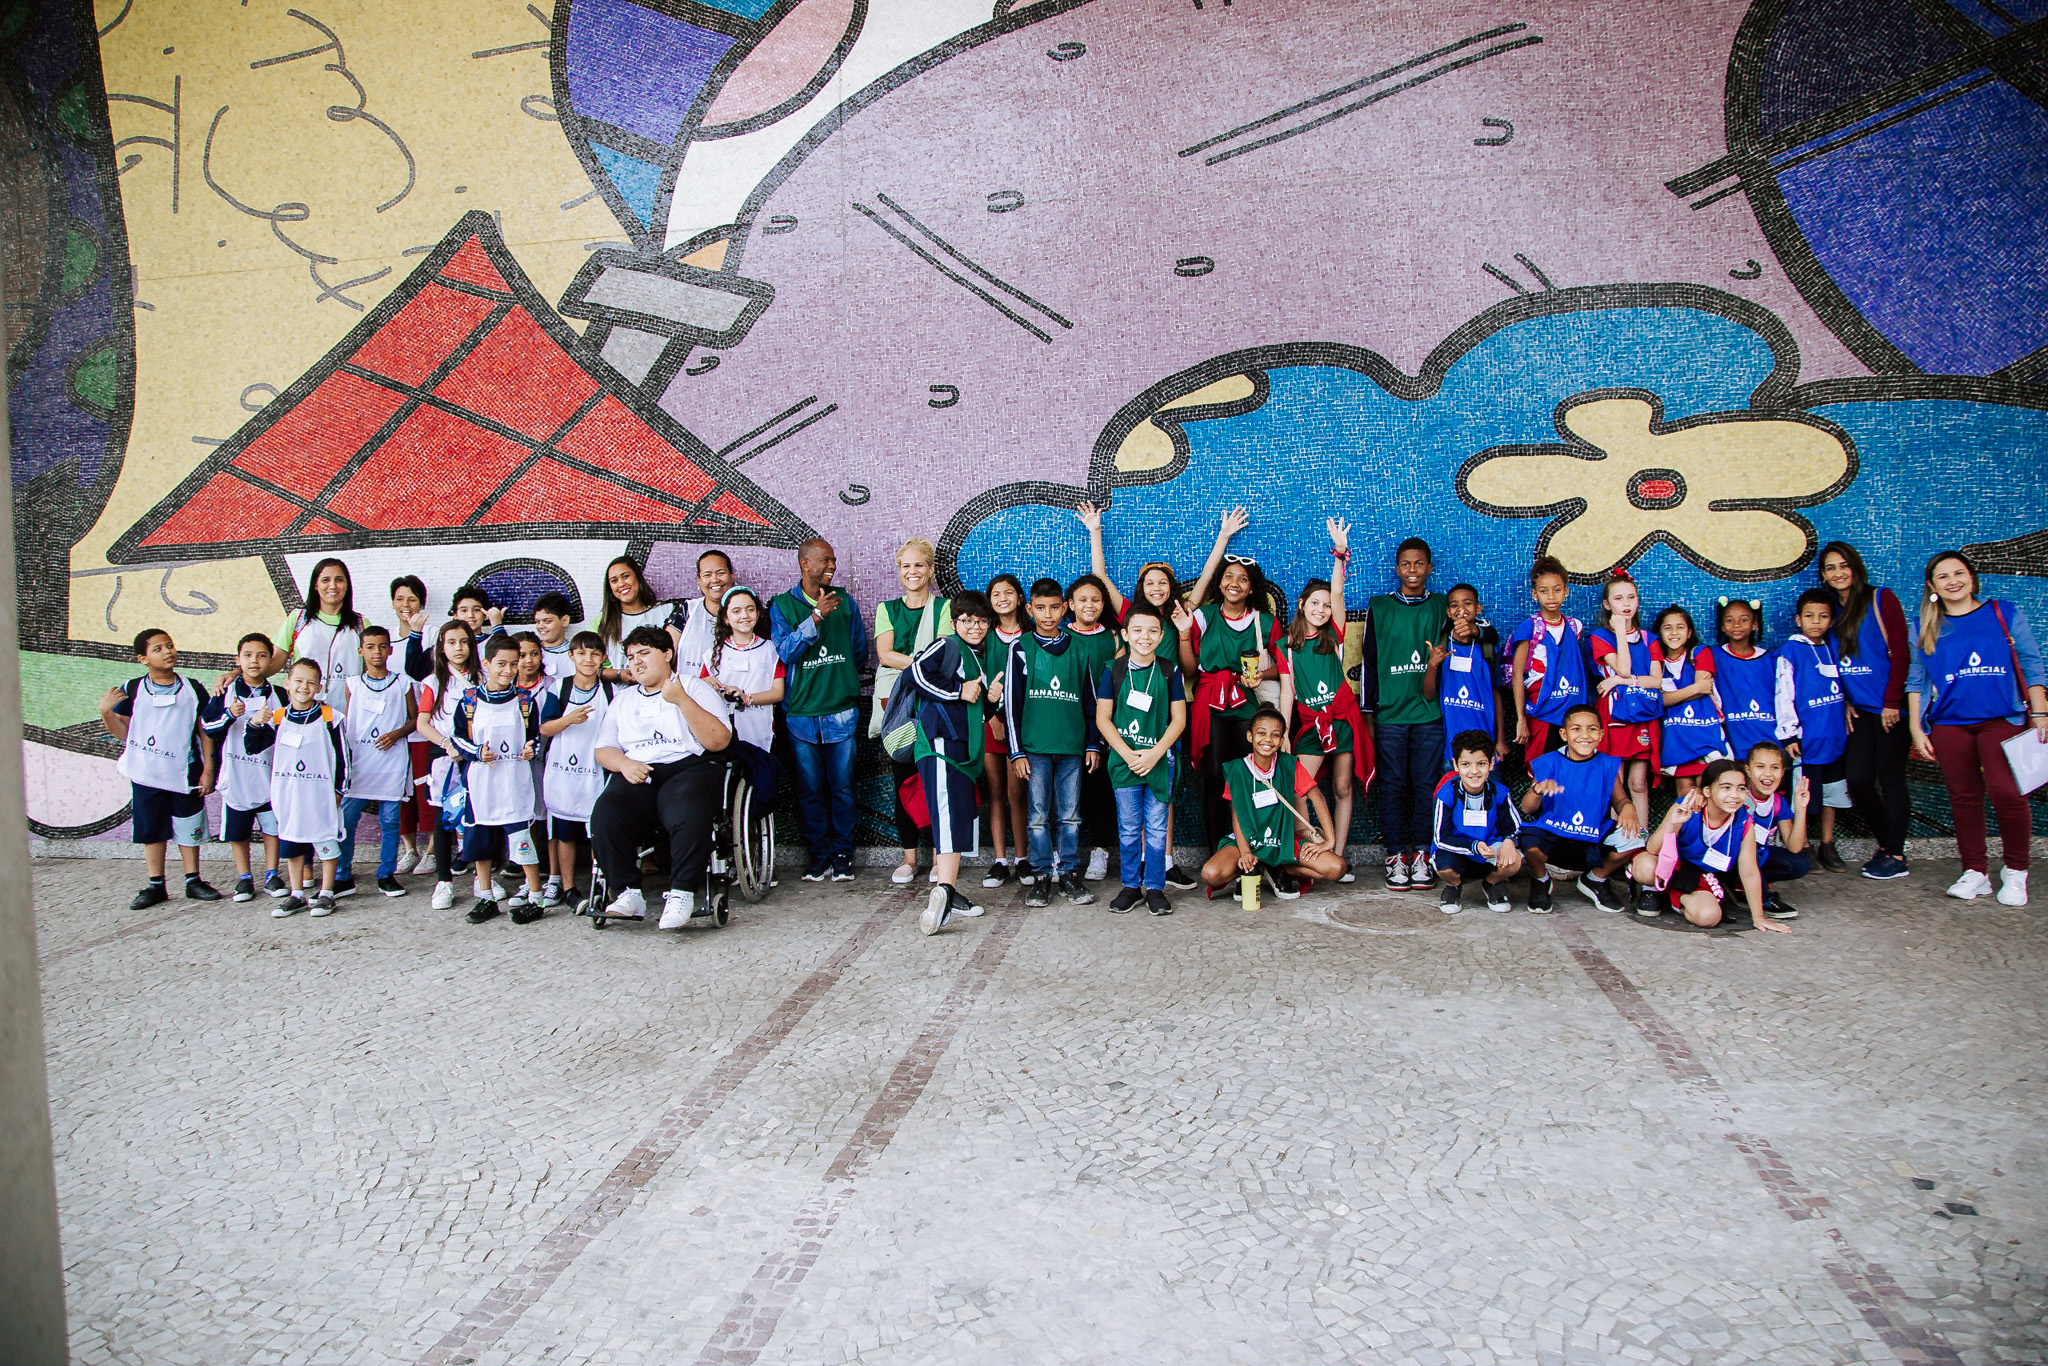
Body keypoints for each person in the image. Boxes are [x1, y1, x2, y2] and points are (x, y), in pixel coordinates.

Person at [1078, 500, 1229, 891]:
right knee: (1135, 792)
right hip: (1130, 716)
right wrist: (1095, 531)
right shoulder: (1133, 615)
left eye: (1162, 582)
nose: (1157, 588)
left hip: (1169, 709)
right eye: (1150, 583)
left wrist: (1223, 537)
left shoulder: (1181, 614)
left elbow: (1207, 579)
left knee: (1165, 788)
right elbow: (1100, 577)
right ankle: (1142, 867)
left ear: (1171, 587)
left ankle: (1164, 861)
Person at [1906, 550, 2048, 906]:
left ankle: (2016, 871)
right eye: (1943, 576)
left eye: (1959, 573)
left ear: (1971, 577)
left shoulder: (2003, 613)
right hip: (1950, 724)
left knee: (2007, 794)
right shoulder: (1923, 626)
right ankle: (1975, 872)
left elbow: (2031, 664)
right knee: (1964, 798)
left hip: (2001, 719)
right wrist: (1916, 728)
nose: (1952, 581)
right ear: (1932, 586)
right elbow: (1916, 680)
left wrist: (2041, 713)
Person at [592, 625, 734, 928]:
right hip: (639, 769)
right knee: (607, 812)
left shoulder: (693, 687)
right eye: (631, 657)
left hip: (687, 766)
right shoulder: (624, 700)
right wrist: (623, 763)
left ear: (667, 654)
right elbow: (603, 749)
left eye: (644, 653)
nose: (637, 662)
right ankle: (627, 892)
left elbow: (719, 741)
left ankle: (682, 892)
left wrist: (682, 700)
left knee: (687, 807)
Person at [100, 628, 221, 908]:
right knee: (152, 829)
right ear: (143, 659)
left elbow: (204, 731)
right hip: (146, 774)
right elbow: (124, 733)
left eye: (170, 645)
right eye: (158, 649)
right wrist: (106, 712)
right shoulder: (132, 689)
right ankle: (156, 885)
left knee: (188, 825)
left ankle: (193, 880)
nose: (168, 651)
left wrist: (208, 769)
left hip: (184, 771)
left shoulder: (192, 689)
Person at [1175, 551, 1279, 867]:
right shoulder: (1203, 617)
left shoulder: (1264, 621)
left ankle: (1256, 852)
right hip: (1211, 705)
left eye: (1242, 579)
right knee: (1215, 778)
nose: (1234, 583)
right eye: (1229, 576)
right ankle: (1217, 854)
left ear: (1252, 588)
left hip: (1249, 705)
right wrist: (1183, 634)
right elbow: (1189, 670)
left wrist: (1262, 675)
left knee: (1253, 777)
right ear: (1219, 583)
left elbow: (1285, 665)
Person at [1279, 520, 1369, 880]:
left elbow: (1338, 591)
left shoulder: (1334, 633)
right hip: (1311, 725)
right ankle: (1311, 845)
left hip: (1342, 719)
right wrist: (1284, 733)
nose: (1321, 608)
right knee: (1299, 786)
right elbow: (1287, 691)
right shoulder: (1285, 645)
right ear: (1301, 605)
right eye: (1315, 603)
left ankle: (1339, 856)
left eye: (1327, 605)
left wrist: (1340, 554)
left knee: (1342, 787)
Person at [771, 538, 865, 882]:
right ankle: (818, 856)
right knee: (810, 790)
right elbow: (785, 652)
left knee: (843, 788)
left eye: (834, 560)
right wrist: (815, 617)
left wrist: (839, 681)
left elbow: (858, 651)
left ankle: (842, 856)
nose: (832, 566)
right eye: (825, 560)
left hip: (841, 711)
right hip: (801, 714)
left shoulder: (845, 602)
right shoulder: (781, 606)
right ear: (805, 564)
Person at [1359, 537, 1449, 890]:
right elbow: (1368, 663)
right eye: (1406, 564)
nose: (1413, 570)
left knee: (1427, 785)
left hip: (1429, 714)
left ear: (1430, 568)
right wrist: (1369, 713)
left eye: (1419, 564)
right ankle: (1396, 854)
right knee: (1393, 786)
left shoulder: (1441, 605)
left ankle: (1423, 853)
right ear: (1397, 569)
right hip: (1390, 716)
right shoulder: (1379, 606)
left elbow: (1475, 629)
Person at [1820, 541, 1914, 880]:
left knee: (1890, 778)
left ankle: (1896, 855)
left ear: (1855, 567)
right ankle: (1888, 845)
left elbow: (1901, 652)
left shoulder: (1880, 598)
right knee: (1858, 780)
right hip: (1859, 711)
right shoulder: (1830, 610)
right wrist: (1846, 699)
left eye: (1844, 565)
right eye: (1831, 568)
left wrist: (1892, 702)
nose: (1838, 573)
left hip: (1890, 710)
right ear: (1823, 575)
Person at [906, 592, 997, 935]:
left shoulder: (975, 658)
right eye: (968, 620)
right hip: (941, 745)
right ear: (955, 621)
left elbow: (975, 709)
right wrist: (959, 691)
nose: (975, 626)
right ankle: (943, 892)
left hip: (960, 751)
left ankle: (948, 890)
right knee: (946, 817)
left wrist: (991, 700)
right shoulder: (947, 645)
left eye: (982, 621)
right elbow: (916, 672)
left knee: (957, 817)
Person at [1006, 577, 1099, 907]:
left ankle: (1069, 873)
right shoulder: (1020, 648)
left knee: (1070, 815)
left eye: (1055, 607)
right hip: (1035, 749)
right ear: (1029, 610)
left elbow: (1091, 701)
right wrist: (1016, 751)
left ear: (1065, 608)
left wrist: (1092, 743)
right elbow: (1012, 704)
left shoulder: (1080, 648)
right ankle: (1042, 875)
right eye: (1041, 608)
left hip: (1072, 748)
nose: (1048, 614)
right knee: (1037, 816)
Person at [1095, 601, 1188, 916]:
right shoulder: (1113, 670)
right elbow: (1103, 718)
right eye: (1137, 630)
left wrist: (1155, 753)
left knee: (1158, 829)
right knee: (1129, 828)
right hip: (1124, 763)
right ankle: (1131, 886)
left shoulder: (1169, 671)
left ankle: (1156, 887)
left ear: (1161, 636)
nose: (1144, 637)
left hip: (1159, 762)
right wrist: (1128, 755)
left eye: (1152, 631)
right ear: (1125, 634)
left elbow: (1179, 720)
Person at [1199, 706, 1346, 899]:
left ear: (1282, 740)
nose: (1268, 739)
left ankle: (1277, 867)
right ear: (1250, 736)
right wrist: (1245, 852)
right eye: (1261, 733)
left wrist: (1329, 840)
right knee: (1210, 874)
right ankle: (1253, 866)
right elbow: (1237, 814)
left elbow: (1317, 796)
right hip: (1248, 841)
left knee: (1337, 868)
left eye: (1275, 735)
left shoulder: (1289, 764)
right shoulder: (1236, 770)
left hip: (1281, 841)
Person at [873, 539, 954, 885]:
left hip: (932, 706)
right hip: (897, 709)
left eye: (919, 565)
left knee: (935, 782)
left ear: (931, 569)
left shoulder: (945, 607)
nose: (912, 571)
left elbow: (945, 652)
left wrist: (910, 665)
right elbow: (884, 654)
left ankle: (938, 858)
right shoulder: (887, 609)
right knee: (903, 779)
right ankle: (909, 859)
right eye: (906, 566)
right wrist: (921, 666)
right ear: (899, 571)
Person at [450, 635, 546, 924]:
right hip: (481, 784)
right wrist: (477, 752)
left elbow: (535, 737)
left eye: (513, 664)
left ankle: (536, 897)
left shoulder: (525, 701)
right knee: (480, 842)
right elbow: (458, 738)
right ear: (486, 663)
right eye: (501, 664)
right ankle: (486, 897)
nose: (508, 670)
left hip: (515, 782)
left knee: (522, 839)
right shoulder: (469, 701)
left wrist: (531, 749)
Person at [1632, 759, 1788, 932]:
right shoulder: (1687, 806)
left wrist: (1758, 917)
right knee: (1645, 867)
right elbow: (1652, 849)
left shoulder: (1744, 822)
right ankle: (1652, 888)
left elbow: (1749, 871)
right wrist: (1673, 824)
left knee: (1709, 916)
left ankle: (1670, 896)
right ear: (1708, 791)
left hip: (1700, 876)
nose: (1735, 795)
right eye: (1726, 788)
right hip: (1671, 864)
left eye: (1741, 788)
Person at [1515, 704, 1642, 913]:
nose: (1585, 735)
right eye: (1576, 729)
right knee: (1527, 840)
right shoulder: (1549, 762)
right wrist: (1537, 791)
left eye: (1592, 729)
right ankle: (1540, 880)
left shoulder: (1606, 764)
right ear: (1564, 734)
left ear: (1601, 734)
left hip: (1592, 834)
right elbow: (1527, 808)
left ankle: (1595, 879)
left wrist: (1628, 807)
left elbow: (1620, 800)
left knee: (1636, 837)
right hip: (1555, 833)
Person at [251, 659, 347, 917]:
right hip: (289, 793)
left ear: (319, 687)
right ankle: (296, 894)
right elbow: (253, 746)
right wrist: (255, 723)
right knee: (292, 842)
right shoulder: (277, 718)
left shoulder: (330, 718)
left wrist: (339, 791)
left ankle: (326, 893)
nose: (304, 687)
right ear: (287, 684)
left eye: (311, 682)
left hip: (320, 794)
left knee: (326, 840)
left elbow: (343, 759)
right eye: (298, 681)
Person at [202, 633, 287, 902]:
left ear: (270, 661)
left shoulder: (280, 694)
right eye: (248, 655)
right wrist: (229, 715)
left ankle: (272, 874)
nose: (254, 661)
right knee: (238, 831)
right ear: (237, 660)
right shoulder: (224, 692)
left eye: (261, 656)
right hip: (236, 772)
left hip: (268, 771)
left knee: (272, 827)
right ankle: (244, 877)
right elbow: (207, 727)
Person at [336, 626, 416, 898]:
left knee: (390, 821)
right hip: (360, 761)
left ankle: (386, 874)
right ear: (361, 651)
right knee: (347, 820)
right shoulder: (352, 684)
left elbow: (415, 719)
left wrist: (396, 734)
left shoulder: (403, 683)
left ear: (390, 650)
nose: (377, 652)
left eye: (382, 646)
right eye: (370, 647)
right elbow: (350, 720)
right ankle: (342, 875)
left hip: (391, 761)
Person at [539, 630, 614, 912]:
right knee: (565, 832)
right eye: (581, 653)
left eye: (594, 654)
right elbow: (545, 728)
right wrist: (568, 719)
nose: (588, 659)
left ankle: (600, 885)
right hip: (564, 772)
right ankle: (569, 887)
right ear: (571, 656)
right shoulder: (559, 689)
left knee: (598, 832)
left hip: (596, 770)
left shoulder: (611, 692)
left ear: (603, 658)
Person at [1775, 589, 1850, 868]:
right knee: (1803, 795)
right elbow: (1784, 694)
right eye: (1809, 616)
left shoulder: (1834, 648)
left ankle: (1827, 844)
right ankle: (1803, 844)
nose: (1816, 621)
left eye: (1823, 616)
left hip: (1835, 738)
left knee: (1832, 795)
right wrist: (1789, 733)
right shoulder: (1791, 651)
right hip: (1807, 740)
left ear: (1832, 620)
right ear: (1798, 619)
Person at [413, 619, 480, 910]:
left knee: (478, 817)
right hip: (445, 757)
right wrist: (445, 744)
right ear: (441, 647)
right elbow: (422, 723)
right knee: (444, 819)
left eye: (464, 642)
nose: (458, 648)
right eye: (451, 642)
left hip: (476, 756)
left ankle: (482, 878)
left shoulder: (483, 676)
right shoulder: (434, 682)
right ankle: (444, 882)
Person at [1588, 570, 1662, 831]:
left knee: (1638, 783)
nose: (1626, 603)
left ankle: (1642, 837)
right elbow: (1624, 667)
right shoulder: (1600, 637)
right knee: (1615, 782)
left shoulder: (1650, 639)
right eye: (1619, 598)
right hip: (1614, 717)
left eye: (1631, 597)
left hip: (1642, 716)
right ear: (1607, 604)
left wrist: (1619, 682)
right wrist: (1620, 630)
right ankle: (1616, 840)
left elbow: (1656, 681)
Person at [1066, 573, 1123, 882]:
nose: (1089, 605)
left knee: (1098, 791)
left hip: (1102, 728)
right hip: (1066, 726)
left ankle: (1100, 850)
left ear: (1104, 605)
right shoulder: (1059, 637)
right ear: (1070, 605)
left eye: (1096, 600)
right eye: (1082, 599)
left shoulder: (1113, 639)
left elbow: (1121, 685)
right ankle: (1065, 852)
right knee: (1065, 793)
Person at [1508, 555, 1592, 761]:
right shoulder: (1530, 627)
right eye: (1544, 591)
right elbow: (1517, 674)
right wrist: (1521, 719)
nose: (1551, 596)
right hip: (1541, 708)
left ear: (1566, 591)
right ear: (1534, 594)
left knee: (1570, 763)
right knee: (1541, 765)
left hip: (1570, 707)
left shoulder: (1574, 627)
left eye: (1557, 590)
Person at [1430, 730, 1524, 913]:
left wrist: (1509, 841)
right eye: (1466, 764)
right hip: (1458, 850)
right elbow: (1440, 838)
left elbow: (1516, 827)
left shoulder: (1500, 792)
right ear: (1455, 765)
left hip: (1489, 851)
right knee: (1444, 867)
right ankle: (1453, 886)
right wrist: (1473, 846)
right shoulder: (1446, 794)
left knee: (1514, 860)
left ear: (1491, 763)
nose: (1474, 771)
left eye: (1481, 764)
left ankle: (1492, 883)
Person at [979, 573, 1031, 888]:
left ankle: (1023, 858)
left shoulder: (1031, 636)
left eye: (1008, 592)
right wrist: (993, 719)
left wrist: (1012, 723)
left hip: (1021, 728)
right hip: (991, 724)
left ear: (1020, 598)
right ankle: (1000, 861)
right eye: (996, 594)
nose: (1002, 598)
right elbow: (979, 682)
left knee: (1017, 793)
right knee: (996, 793)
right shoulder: (984, 637)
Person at [1424, 583, 1508, 769]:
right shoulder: (1441, 647)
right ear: (1448, 612)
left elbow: (1496, 695)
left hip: (1486, 748)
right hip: (1450, 752)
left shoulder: (1488, 649)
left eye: (1467, 603)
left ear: (1478, 608)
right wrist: (1432, 665)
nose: (1461, 609)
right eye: (1454, 605)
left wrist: (1501, 739)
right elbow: (1428, 695)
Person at [701, 586, 785, 758]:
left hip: (759, 727)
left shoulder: (771, 650)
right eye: (736, 611)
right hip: (723, 728)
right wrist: (705, 683)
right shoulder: (713, 654)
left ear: (758, 613)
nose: (744, 615)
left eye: (750, 609)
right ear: (725, 618)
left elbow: (778, 693)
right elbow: (700, 690)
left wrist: (746, 698)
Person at [1653, 605, 1726, 799]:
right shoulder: (1656, 662)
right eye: (1667, 628)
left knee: (1709, 792)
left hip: (1703, 734)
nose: (1674, 632)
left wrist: (1672, 697)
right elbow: (1659, 701)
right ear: (1659, 632)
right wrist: (1694, 688)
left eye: (1680, 627)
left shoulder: (1699, 652)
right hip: (1676, 740)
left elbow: (1705, 688)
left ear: (1689, 632)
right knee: (1685, 794)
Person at [273, 557, 364, 710]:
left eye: (339, 580)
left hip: (349, 715)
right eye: (325, 580)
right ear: (316, 585)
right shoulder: (298, 619)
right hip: (305, 713)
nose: (332, 585)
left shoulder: (360, 624)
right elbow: (273, 662)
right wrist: (237, 674)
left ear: (347, 585)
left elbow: (371, 671)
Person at [388, 575, 433, 874]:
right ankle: (409, 849)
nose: (406, 605)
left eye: (412, 599)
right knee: (398, 791)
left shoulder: (432, 634)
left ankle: (432, 850)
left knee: (425, 789)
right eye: (400, 599)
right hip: (392, 730)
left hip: (423, 728)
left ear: (422, 603)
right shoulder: (384, 638)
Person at [1742, 741, 1808, 920]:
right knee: (1749, 855)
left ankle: (1744, 887)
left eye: (1775, 767)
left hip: (1758, 854)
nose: (1768, 774)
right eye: (1760, 767)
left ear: (1782, 772)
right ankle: (1764, 898)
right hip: (1734, 858)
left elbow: (1794, 847)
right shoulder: (1738, 795)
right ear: (1748, 770)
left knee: (1799, 864)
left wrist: (1801, 808)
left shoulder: (1778, 802)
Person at [1712, 597, 1779, 766]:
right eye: (1730, 620)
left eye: (1744, 620)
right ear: (1722, 626)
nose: (1736, 625)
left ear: (1755, 624)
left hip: (1769, 742)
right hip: (1735, 746)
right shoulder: (1713, 656)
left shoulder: (1771, 659)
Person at [595, 555, 678, 681]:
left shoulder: (667, 612)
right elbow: (591, 668)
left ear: (638, 578)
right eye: (614, 580)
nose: (621, 583)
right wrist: (619, 674)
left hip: (665, 688)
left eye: (625, 576)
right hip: (622, 691)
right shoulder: (602, 622)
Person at [671, 550, 735, 676]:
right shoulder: (687, 610)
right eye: (707, 575)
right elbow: (666, 654)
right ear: (699, 580)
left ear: (731, 576)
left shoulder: (746, 614)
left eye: (721, 573)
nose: (714, 579)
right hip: (686, 686)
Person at [531, 591, 579, 689]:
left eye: (547, 621)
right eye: (537, 622)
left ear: (564, 621)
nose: (541, 626)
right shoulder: (531, 653)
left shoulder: (577, 654)